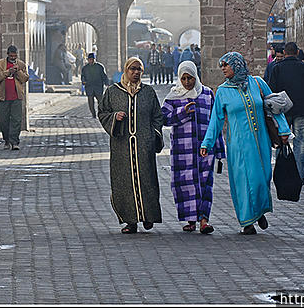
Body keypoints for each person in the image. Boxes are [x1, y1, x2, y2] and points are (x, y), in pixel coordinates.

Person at [200, 51, 290, 235]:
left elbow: (275, 107)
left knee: (262, 178)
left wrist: (283, 130)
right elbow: (216, 120)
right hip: (238, 146)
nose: (223, 69)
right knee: (242, 182)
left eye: (226, 64)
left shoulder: (257, 83)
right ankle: (247, 221)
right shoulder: (223, 91)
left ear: (237, 64)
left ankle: (259, 211)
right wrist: (207, 143)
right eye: (221, 66)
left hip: (261, 141)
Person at [98, 57, 163, 234]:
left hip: (144, 147)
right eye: (132, 69)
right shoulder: (113, 92)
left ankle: (148, 216)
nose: (135, 73)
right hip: (121, 147)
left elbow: (158, 116)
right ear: (126, 70)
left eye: (139, 70)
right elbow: (102, 112)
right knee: (123, 183)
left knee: (147, 181)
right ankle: (130, 221)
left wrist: (152, 136)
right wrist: (114, 118)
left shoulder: (148, 92)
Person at [162, 60, 224, 234]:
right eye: (184, 78)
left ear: (195, 76)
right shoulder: (174, 96)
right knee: (185, 183)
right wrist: (182, 113)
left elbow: (215, 123)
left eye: (190, 78)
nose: (187, 82)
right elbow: (164, 119)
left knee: (205, 182)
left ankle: (204, 220)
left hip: (205, 148)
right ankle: (190, 220)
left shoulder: (206, 94)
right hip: (183, 150)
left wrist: (219, 149)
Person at [269, 42, 304, 181]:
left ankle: (281, 174)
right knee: (301, 144)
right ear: (297, 53)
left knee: (281, 142)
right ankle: (299, 176)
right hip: (302, 112)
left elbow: (272, 92)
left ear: (285, 53)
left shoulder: (277, 69)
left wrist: (273, 114)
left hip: (283, 113)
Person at [0, 45, 29, 150]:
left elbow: (25, 79)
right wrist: (8, 72)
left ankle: (14, 142)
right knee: (3, 120)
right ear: (7, 54)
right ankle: (6, 140)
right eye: (11, 56)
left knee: (16, 120)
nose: (13, 58)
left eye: (15, 56)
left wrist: (18, 71)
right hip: (4, 97)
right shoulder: (0, 64)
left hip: (17, 97)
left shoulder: (21, 64)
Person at [80, 53, 109, 117]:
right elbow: (83, 76)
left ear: (94, 59)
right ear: (88, 60)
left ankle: (101, 114)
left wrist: (107, 83)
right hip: (89, 87)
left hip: (98, 87)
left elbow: (104, 76)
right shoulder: (85, 68)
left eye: (92, 59)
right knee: (91, 103)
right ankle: (93, 114)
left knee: (100, 102)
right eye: (89, 59)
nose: (91, 61)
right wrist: (83, 81)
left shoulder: (99, 67)